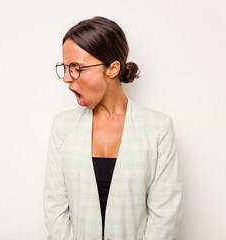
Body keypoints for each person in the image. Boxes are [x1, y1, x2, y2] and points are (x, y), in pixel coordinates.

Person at [43, 16, 183, 240]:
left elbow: (165, 217)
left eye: (76, 68)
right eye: (66, 68)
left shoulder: (158, 128)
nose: (67, 78)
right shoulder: (63, 126)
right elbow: (55, 209)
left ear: (112, 69)